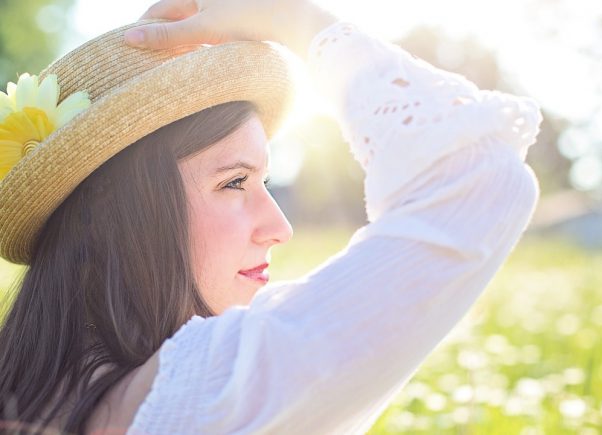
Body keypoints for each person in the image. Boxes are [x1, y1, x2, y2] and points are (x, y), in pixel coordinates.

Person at [0, 0, 542, 433]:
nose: (279, 227)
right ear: (114, 214)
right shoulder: (208, 395)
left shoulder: (29, 386)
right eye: (233, 182)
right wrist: (298, 20)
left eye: (263, 179)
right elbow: (485, 182)